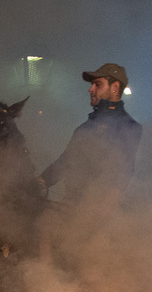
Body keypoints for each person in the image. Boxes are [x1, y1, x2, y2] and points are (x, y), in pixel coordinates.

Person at [38, 63, 143, 204]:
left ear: (115, 88)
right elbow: (66, 161)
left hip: (95, 216)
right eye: (92, 85)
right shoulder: (84, 128)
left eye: (97, 84)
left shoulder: (128, 127)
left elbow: (122, 174)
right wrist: (42, 180)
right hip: (71, 208)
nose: (90, 89)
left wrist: (98, 212)